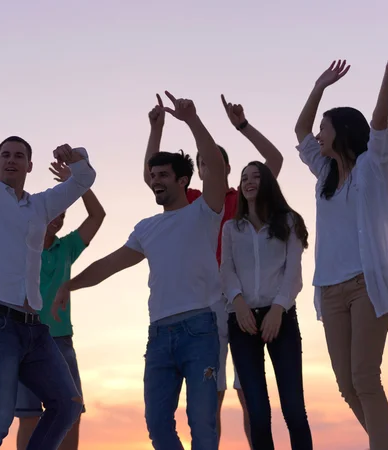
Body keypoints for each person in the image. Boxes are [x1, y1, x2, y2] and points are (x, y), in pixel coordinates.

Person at [53, 91, 227, 449]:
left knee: (203, 425)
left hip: (200, 329)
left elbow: (217, 167)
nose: (156, 180)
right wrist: (66, 286)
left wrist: (191, 119)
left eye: (164, 174)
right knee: (157, 425)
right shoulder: (146, 228)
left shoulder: (204, 212)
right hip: (160, 335)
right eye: (153, 175)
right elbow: (108, 265)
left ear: (183, 181)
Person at [0, 42, 95, 450]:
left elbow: (84, 180)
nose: (11, 160)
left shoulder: (41, 205)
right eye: (5, 155)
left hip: (35, 328)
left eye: (19, 156)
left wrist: (77, 156)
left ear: (30, 165)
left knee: (66, 406)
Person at [143, 93, 284, 447]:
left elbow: (275, 160)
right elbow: (154, 176)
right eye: (202, 165)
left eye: (214, 164)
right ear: (196, 172)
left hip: (245, 304)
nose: (208, 170)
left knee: (249, 395)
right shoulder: (189, 203)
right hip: (206, 309)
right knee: (210, 398)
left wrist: (242, 126)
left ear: (224, 170)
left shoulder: (242, 201)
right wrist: (156, 129)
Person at [294, 39, 388, 450]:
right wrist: (318, 88)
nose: (318, 134)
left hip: (366, 284)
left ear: (341, 132)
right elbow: (299, 132)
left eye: (325, 127)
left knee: (365, 376)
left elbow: (379, 120)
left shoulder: (372, 165)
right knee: (347, 385)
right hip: (329, 288)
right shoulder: (324, 171)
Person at [221, 161, 312, 449]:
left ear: (268, 182)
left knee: (294, 410)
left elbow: (293, 272)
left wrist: (278, 308)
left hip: (281, 319)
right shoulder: (231, 229)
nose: (248, 182)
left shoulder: (288, 222)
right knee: (258, 414)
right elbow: (226, 271)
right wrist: (238, 302)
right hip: (242, 322)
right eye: (244, 177)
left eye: (256, 177)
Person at [15, 161, 106, 450]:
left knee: (72, 411)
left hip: (60, 340)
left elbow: (97, 215)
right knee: (28, 416)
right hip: (25, 339)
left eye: (64, 214)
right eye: (55, 212)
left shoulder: (66, 247)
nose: (59, 218)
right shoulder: (19, 244)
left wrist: (77, 183)